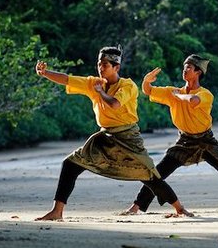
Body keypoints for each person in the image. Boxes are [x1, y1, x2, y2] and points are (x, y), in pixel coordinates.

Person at [34, 46, 192, 220]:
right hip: (105, 136)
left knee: (148, 175)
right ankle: (57, 211)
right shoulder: (93, 83)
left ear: (116, 67)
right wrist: (45, 73)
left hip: (128, 137)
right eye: (99, 64)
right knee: (70, 164)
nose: (100, 68)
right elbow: (67, 79)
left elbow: (115, 104)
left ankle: (179, 208)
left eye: (105, 65)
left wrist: (100, 91)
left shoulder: (127, 85)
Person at [122, 54, 218, 215]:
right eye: (184, 67)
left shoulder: (205, 94)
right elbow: (148, 91)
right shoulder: (173, 92)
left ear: (198, 72)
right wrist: (146, 81)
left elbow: (193, 100)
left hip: (206, 140)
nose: (184, 70)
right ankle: (136, 206)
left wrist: (178, 96)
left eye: (188, 67)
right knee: (158, 172)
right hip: (184, 141)